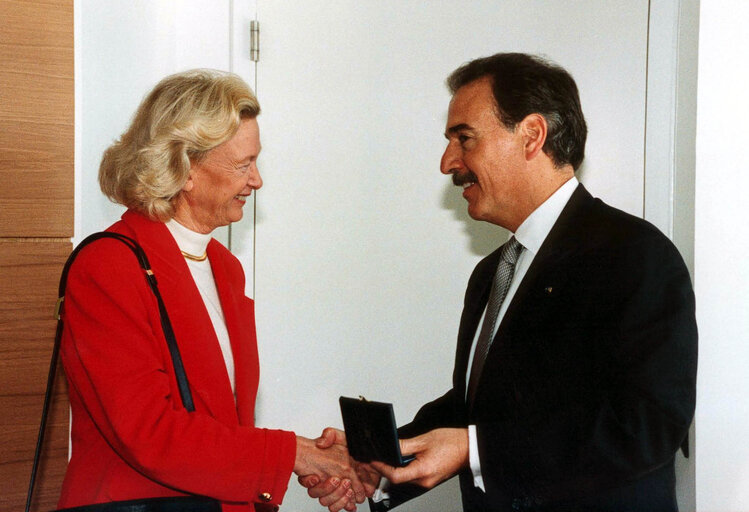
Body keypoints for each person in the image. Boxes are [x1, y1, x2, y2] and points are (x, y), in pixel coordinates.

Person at [305, 53, 698, 511]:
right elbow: (476, 410)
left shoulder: (634, 254)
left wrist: (477, 449)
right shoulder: (492, 271)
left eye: (464, 138)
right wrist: (379, 462)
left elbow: (647, 425)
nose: (448, 161)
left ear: (532, 135)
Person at [57, 69, 371, 512]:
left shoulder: (225, 267)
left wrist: (305, 461)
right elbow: (148, 433)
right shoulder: (108, 266)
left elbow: (224, 425)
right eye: (243, 165)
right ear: (184, 169)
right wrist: (292, 455)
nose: (257, 180)